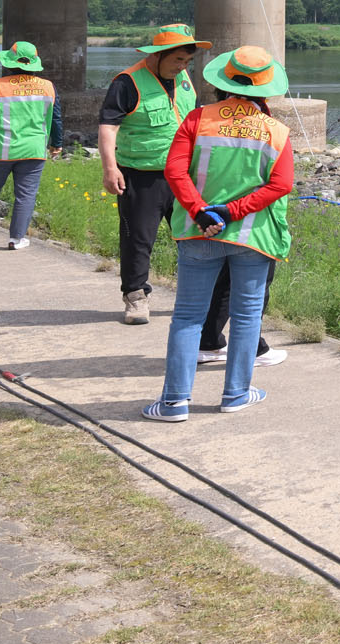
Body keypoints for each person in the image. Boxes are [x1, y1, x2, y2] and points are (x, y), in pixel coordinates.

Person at [145, 45, 295, 422]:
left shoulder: (197, 119)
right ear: (265, 88)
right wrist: (232, 211)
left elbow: (174, 171)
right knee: (247, 317)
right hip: (252, 237)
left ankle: (174, 403)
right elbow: (281, 185)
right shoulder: (276, 131)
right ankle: (236, 395)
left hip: (199, 233)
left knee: (188, 317)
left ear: (223, 81)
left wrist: (201, 212)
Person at [97, 24, 209, 324]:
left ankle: (196, 296)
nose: (183, 67)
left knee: (194, 237)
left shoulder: (184, 79)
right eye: (178, 60)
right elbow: (108, 127)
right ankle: (135, 297)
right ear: (158, 55)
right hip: (141, 175)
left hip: (183, 175)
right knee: (138, 239)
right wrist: (110, 168)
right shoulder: (127, 82)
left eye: (188, 61)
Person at [0, 41, 61, 250]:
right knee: (25, 196)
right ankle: (16, 239)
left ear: (10, 62)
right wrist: (57, 143)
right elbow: (56, 119)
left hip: (0, 151)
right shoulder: (48, 87)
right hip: (33, 150)